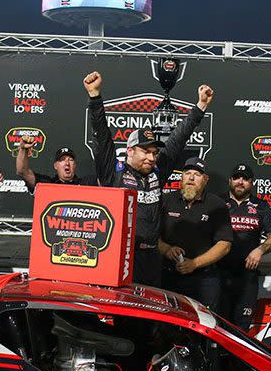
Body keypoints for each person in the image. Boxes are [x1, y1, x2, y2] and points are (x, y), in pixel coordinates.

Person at [85, 71, 215, 286]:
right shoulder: (113, 172)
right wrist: (95, 96)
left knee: (151, 314)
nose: (151, 157)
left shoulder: (157, 172)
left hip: (153, 257)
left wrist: (200, 106)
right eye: (145, 151)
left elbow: (178, 139)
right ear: (129, 151)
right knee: (126, 314)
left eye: (154, 152)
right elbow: (101, 133)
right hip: (122, 256)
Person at [157, 157, 232, 308]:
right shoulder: (165, 200)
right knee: (165, 325)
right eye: (187, 173)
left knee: (203, 325)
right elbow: (151, 234)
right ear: (181, 177)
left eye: (197, 175)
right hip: (167, 277)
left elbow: (224, 245)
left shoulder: (217, 205)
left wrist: (194, 264)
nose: (191, 178)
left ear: (206, 179)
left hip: (204, 279)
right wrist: (166, 249)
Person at [217, 164, 271, 331]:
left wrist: (260, 250)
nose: (240, 182)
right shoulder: (217, 202)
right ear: (230, 180)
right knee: (217, 327)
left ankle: (235, 358)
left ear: (252, 183)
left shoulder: (261, 206)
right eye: (237, 177)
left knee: (241, 328)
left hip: (247, 277)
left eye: (245, 178)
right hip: (218, 275)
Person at [16, 138, 98, 192]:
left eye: (71, 160)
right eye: (62, 160)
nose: (67, 163)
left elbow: (106, 179)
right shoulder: (46, 184)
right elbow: (22, 171)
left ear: (75, 165)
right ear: (55, 166)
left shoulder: (86, 183)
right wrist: (23, 149)